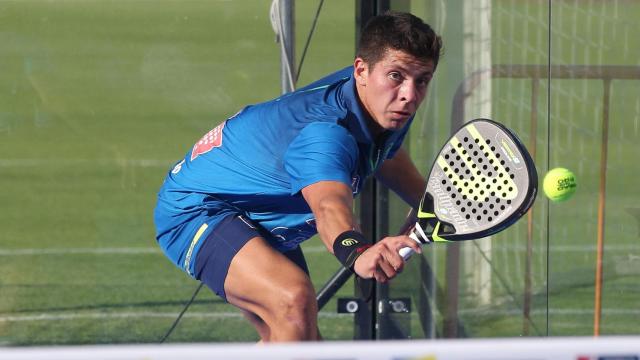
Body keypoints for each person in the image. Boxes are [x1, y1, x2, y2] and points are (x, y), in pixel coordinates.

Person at [154, 11, 442, 342]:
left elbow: (384, 156)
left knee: (298, 337)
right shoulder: (327, 135)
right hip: (196, 209)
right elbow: (328, 207)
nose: (410, 94)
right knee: (293, 301)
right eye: (396, 76)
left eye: (422, 80)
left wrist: (433, 202)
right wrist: (358, 252)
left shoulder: (384, 104)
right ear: (361, 70)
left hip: (251, 208)